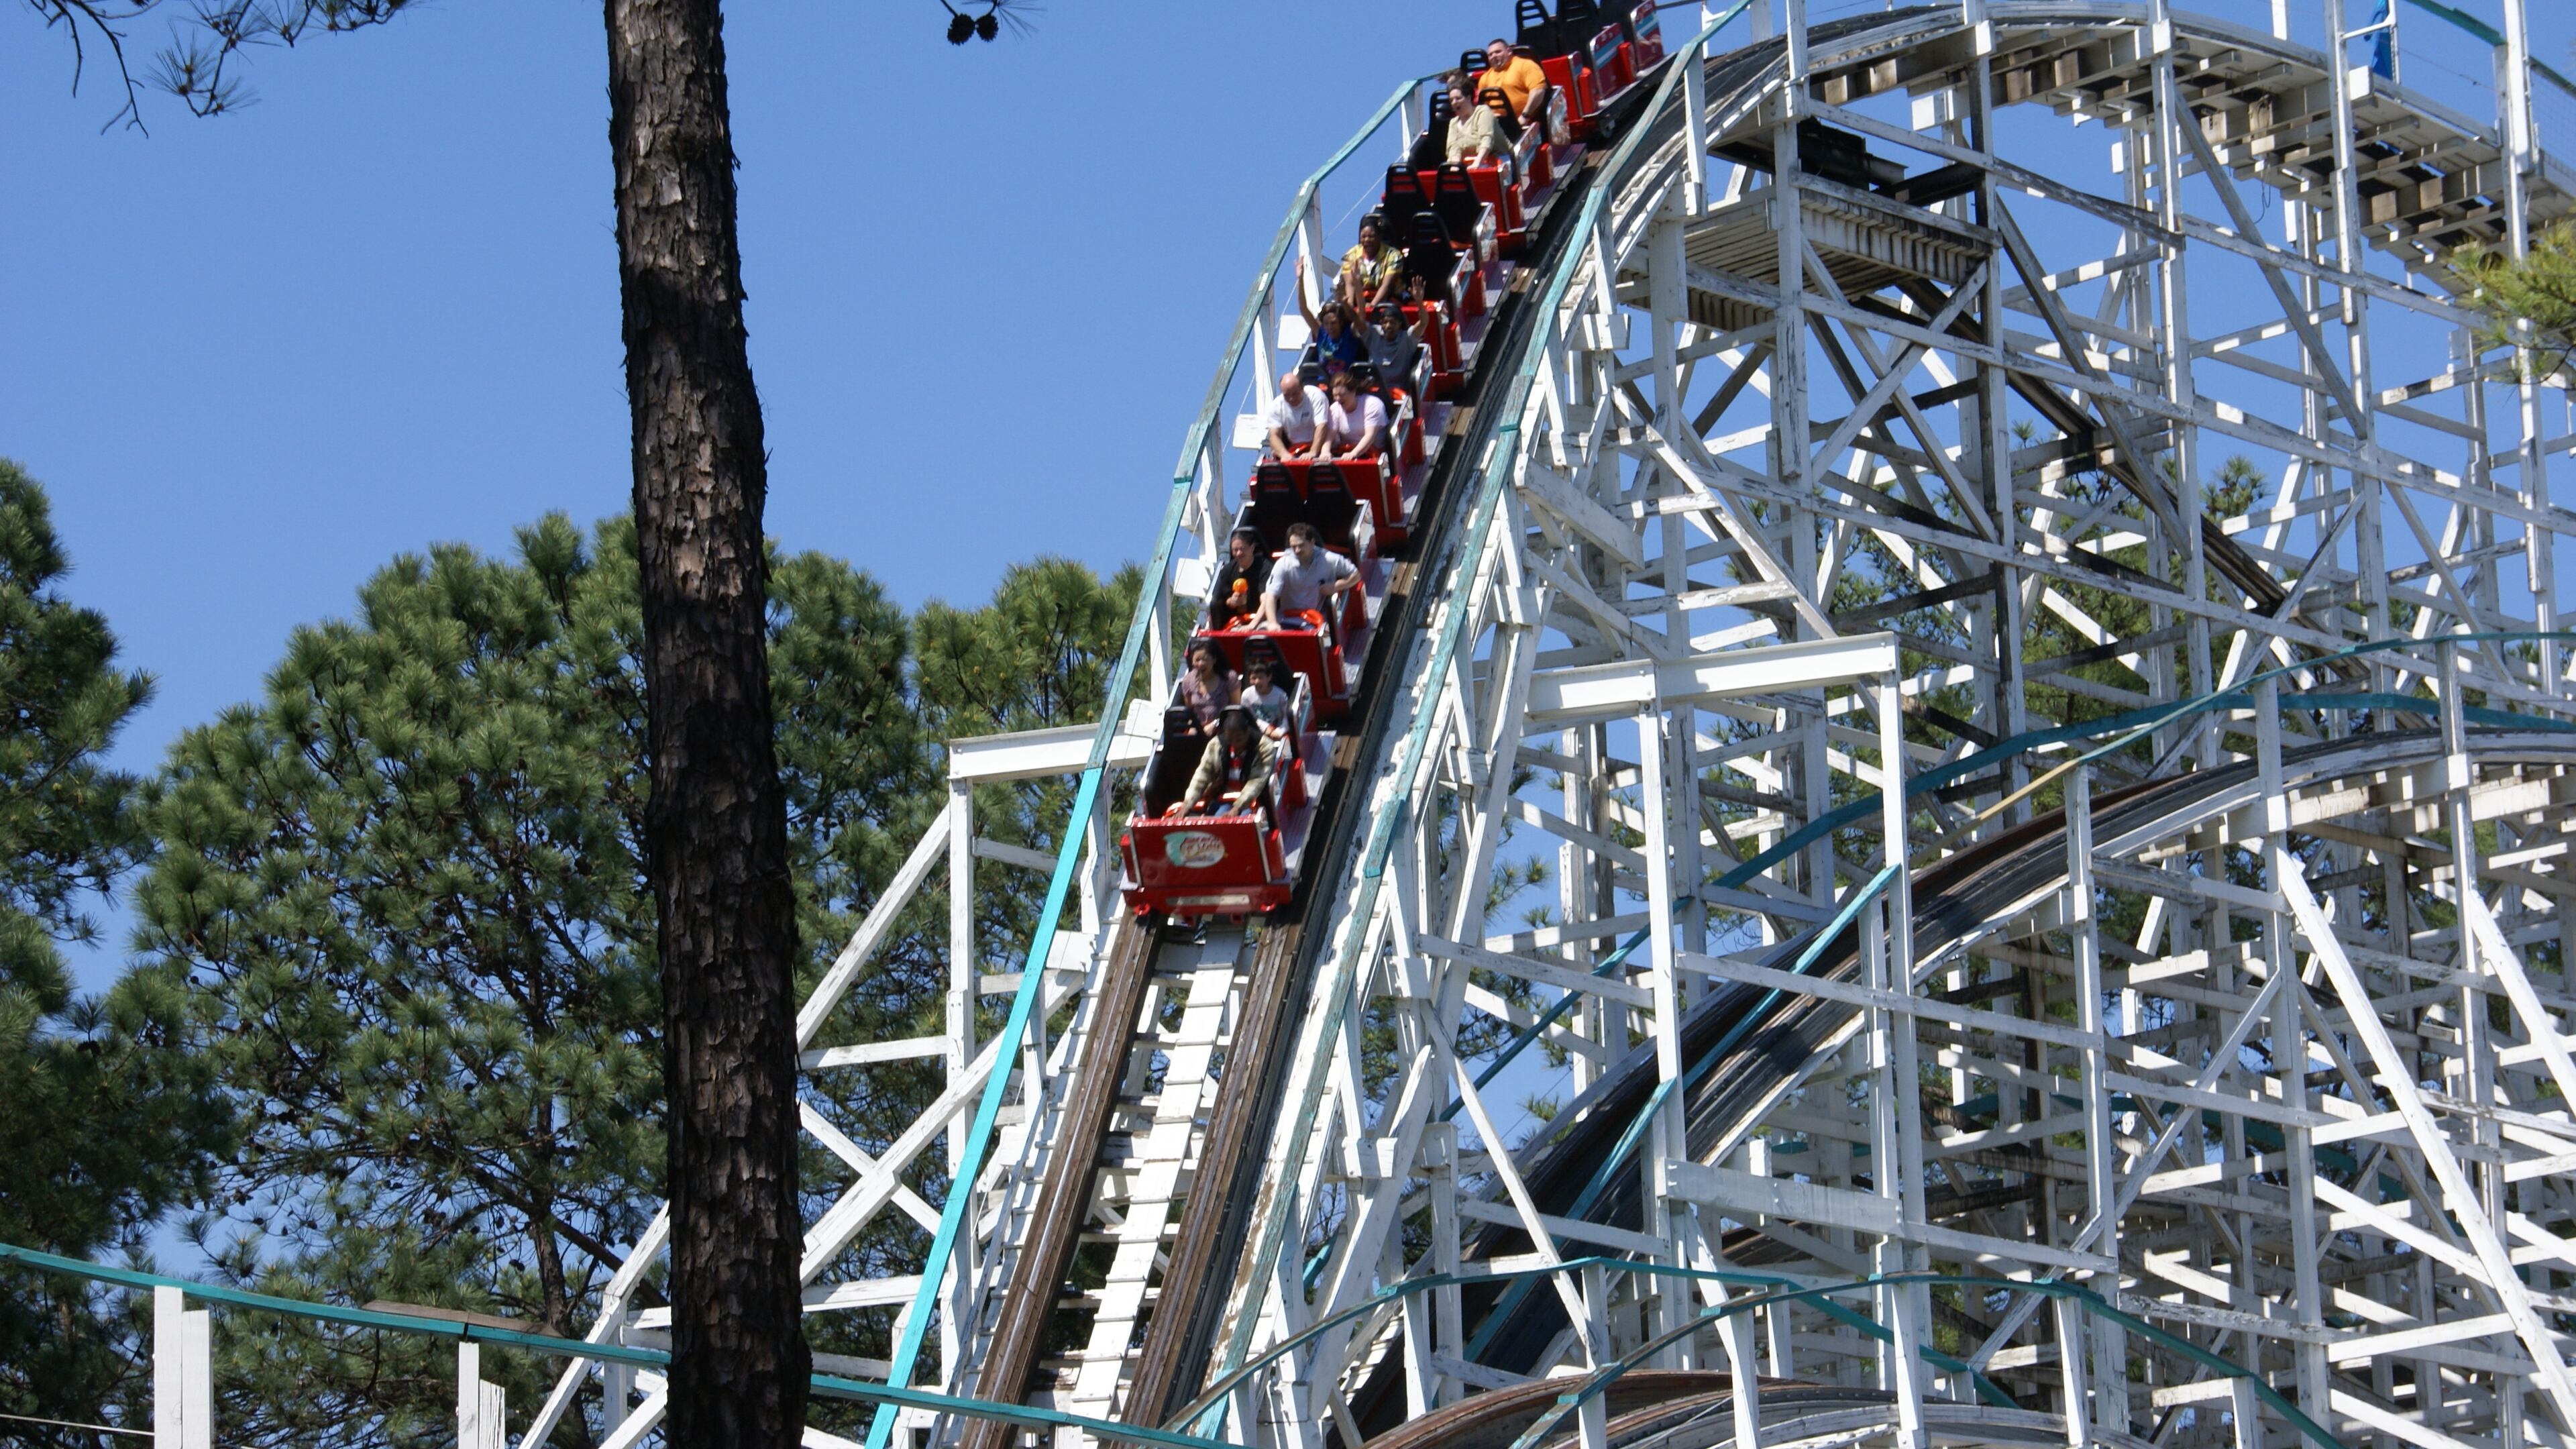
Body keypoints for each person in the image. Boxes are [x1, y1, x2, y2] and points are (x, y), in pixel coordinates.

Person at [1165, 706, 1279, 820]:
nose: (1235, 744)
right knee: (1219, 818)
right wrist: (1187, 805)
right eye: (1230, 740)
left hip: (1253, 799)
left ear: (1248, 732)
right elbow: (1202, 775)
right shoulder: (1216, 745)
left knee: (1244, 820)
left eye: (1239, 740)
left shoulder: (1264, 747)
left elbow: (1256, 781)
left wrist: (1237, 808)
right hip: (1223, 797)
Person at [1256, 521, 1360, 635]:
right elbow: (1271, 596)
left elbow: (1356, 575)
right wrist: (1272, 623)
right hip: (1286, 619)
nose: (1297, 551)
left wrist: (1335, 586)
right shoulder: (1283, 564)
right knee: (1262, 633)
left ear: (1312, 542)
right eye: (1293, 547)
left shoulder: (1328, 559)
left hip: (1315, 620)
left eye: (1301, 546)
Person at [1295, 260, 1368, 380]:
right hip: (1324, 384)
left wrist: (1356, 284)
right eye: (1327, 324)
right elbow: (1303, 309)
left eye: (1333, 323)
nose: (1330, 327)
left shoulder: (1349, 334)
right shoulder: (1322, 334)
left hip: (1346, 384)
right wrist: (1300, 278)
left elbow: (1361, 314)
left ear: (1340, 322)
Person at [1473, 38, 1552, 138]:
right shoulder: (1485, 79)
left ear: (1509, 51)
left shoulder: (1526, 65)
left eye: (1498, 52)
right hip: (1497, 128)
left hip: (1526, 123)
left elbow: (1538, 91)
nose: (1494, 56)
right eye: (1491, 54)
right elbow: (1483, 107)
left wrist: (1525, 116)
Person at [1336, 215, 1407, 313]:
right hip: (1360, 299)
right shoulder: (1351, 256)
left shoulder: (1394, 255)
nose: (1367, 240)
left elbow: (1387, 285)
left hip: (1388, 300)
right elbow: (1350, 284)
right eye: (1363, 237)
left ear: (1380, 237)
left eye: (1371, 236)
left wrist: (1372, 306)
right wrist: (1350, 306)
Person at [1317, 373, 1389, 463]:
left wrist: (1353, 454)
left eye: (1341, 395)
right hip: (1347, 453)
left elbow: (1370, 436)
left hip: (1376, 454)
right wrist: (1325, 452)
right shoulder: (1335, 409)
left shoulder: (1372, 405)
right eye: (1335, 395)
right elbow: (1329, 437)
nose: (1338, 399)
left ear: (1353, 391)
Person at [1209, 527, 1271, 629]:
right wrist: (1232, 602)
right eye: (1235, 550)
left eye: (1242, 549)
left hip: (1262, 619)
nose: (1238, 553)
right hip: (1239, 621)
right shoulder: (1228, 570)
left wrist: (1252, 626)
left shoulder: (1265, 567)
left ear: (1252, 548)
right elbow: (1224, 599)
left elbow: (1266, 601)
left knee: (1263, 631)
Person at [1259, 368, 1326, 460]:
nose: (1291, 399)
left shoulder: (1316, 396)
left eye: (1295, 394)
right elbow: (1274, 435)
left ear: (1302, 388)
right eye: (1287, 395)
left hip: (1322, 447)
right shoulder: (1276, 406)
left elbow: (1322, 426)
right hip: (1296, 449)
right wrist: (1284, 454)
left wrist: (1313, 452)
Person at [1174, 640, 1234, 738]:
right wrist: (1194, 728)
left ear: (1214, 659)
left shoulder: (1229, 678)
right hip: (1199, 728)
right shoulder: (1188, 680)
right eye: (1197, 660)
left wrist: (1215, 724)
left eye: (1205, 659)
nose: (1201, 664)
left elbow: (1235, 709)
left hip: (1225, 727)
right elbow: (1190, 711)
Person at [1443, 74, 1504, 165]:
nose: (1454, 103)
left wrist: (1477, 164)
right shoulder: (1453, 123)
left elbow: (1487, 141)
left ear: (1468, 98)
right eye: (1451, 100)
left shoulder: (1483, 111)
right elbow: (1452, 147)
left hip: (1499, 159)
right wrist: (1455, 166)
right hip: (1470, 164)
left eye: (1458, 98)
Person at [1362, 303, 1421, 388]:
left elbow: (1423, 323)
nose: (1388, 326)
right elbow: (1357, 320)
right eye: (1385, 322)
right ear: (1381, 323)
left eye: (1393, 323)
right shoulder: (1373, 334)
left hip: (1399, 390)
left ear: (1400, 324)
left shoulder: (1407, 338)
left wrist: (1419, 302)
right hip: (1375, 387)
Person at [1239, 657, 1291, 740]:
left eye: (1260, 678)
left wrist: (1279, 731)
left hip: (1278, 733)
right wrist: (1265, 728)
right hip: (1258, 732)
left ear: (1269, 677)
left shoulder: (1280, 695)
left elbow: (1287, 718)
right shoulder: (1247, 695)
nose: (1257, 682)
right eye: (1254, 678)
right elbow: (1248, 717)